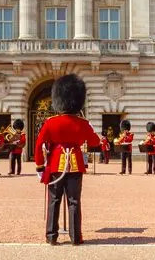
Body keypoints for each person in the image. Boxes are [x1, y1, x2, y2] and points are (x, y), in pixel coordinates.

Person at [33, 73, 100, 246]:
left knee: (54, 201)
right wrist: (89, 127)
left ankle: (51, 236)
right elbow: (95, 142)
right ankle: (75, 237)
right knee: (74, 201)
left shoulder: (50, 122)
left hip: (56, 164)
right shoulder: (82, 123)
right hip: (76, 165)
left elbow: (39, 144)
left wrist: (40, 166)